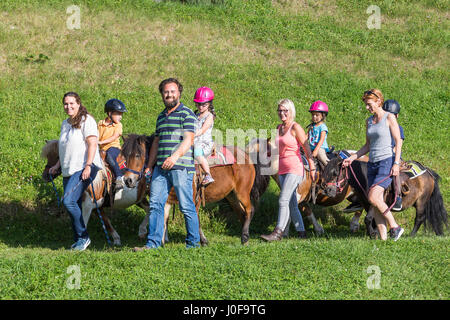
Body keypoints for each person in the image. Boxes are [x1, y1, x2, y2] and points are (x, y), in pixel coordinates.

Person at [134, 78, 200, 250]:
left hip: (180, 167)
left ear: (179, 92)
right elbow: (156, 142)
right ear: (162, 95)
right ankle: (153, 243)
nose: (169, 95)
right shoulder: (161, 116)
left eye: (172, 91)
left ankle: (193, 244)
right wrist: (150, 165)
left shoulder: (186, 113)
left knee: (186, 206)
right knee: (155, 205)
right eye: (166, 92)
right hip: (160, 169)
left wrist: (175, 157)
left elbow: (188, 139)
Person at [342, 89, 404, 241]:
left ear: (378, 101)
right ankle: (384, 240)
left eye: (369, 104)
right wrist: (353, 157)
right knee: (376, 203)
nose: (367, 108)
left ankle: (395, 227)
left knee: (373, 197)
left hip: (386, 162)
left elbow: (398, 141)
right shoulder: (369, 121)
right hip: (372, 164)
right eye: (365, 104)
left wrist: (396, 163)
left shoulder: (389, 118)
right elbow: (367, 145)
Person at [48, 92, 103, 251]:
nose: (68, 106)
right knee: (75, 203)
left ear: (78, 104)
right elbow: (65, 149)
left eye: (72, 103)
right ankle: (79, 240)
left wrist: (88, 165)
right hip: (68, 169)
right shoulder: (65, 123)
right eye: (66, 104)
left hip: (84, 167)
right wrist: (57, 166)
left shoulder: (87, 120)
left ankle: (84, 237)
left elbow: (92, 144)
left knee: (68, 201)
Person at [261, 99, 316, 241]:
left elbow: (306, 148)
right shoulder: (278, 128)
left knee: (283, 200)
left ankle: (278, 232)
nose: (282, 113)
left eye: (285, 110)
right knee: (292, 204)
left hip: (295, 168)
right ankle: (302, 233)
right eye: (280, 110)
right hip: (282, 169)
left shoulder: (295, 127)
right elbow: (277, 149)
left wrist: (312, 167)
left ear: (291, 111)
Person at [98, 99, 127, 190]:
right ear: (110, 113)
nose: (120, 117)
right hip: (102, 150)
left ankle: (119, 178)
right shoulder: (100, 124)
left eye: (121, 114)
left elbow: (114, 137)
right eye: (118, 114)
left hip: (113, 148)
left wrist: (101, 142)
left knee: (110, 155)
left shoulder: (118, 125)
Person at [382, 99, 404, 211]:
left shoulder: (399, 128)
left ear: (397, 116)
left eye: (391, 115)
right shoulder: (380, 127)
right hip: (380, 155)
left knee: (395, 173)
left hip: (394, 155)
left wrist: (391, 153)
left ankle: (397, 195)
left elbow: (399, 144)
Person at [193, 87, 216, 185]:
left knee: (197, 153)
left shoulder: (209, 116)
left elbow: (202, 130)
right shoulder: (195, 115)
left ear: (209, 104)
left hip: (204, 143)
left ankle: (208, 174)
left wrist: (191, 134)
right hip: (194, 141)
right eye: (198, 104)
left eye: (204, 104)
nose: (201, 107)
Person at [307, 100, 330, 167]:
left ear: (323, 116)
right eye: (313, 115)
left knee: (322, 158)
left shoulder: (322, 127)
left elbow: (321, 140)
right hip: (311, 147)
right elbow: (306, 137)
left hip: (320, 148)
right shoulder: (311, 126)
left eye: (317, 115)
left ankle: (330, 169)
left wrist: (316, 150)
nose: (314, 117)